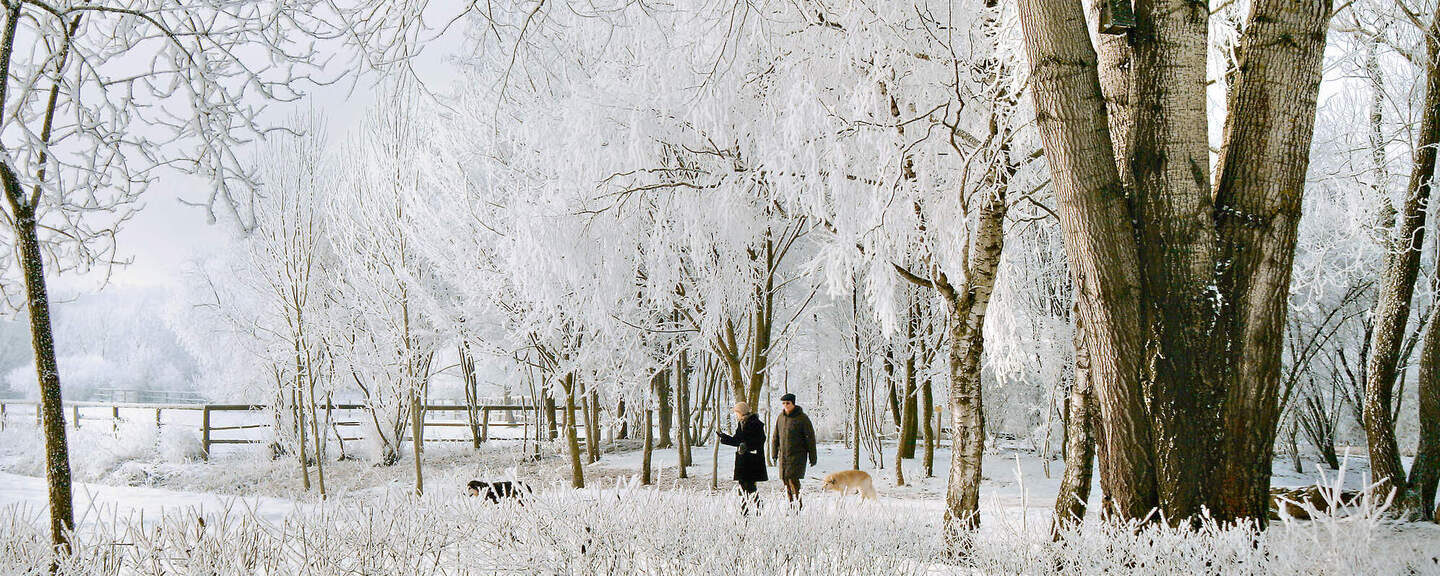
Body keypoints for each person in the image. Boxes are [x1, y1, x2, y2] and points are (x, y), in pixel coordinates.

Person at [717, 401, 767, 515]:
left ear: (742, 412)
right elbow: (737, 440)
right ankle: (747, 509)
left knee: (749, 486)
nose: (736, 415)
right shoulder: (741, 423)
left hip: (752, 460)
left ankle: (754, 508)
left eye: (737, 413)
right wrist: (724, 437)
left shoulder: (756, 424)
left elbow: (760, 440)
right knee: (743, 486)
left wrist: (747, 445)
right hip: (743, 460)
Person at [770, 393, 817, 508]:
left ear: (793, 403)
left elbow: (810, 438)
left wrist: (813, 456)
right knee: (785, 482)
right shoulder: (781, 418)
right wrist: (774, 453)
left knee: (794, 481)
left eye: (788, 403)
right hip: (784, 456)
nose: (785, 405)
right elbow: (775, 436)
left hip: (797, 456)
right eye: (784, 403)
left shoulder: (802, 418)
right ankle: (791, 505)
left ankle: (798, 506)